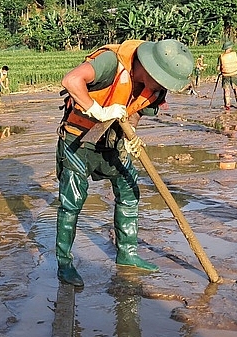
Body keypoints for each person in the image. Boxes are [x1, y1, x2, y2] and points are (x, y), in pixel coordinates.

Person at [55, 38, 194, 287]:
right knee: (72, 200)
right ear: (149, 67)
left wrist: (130, 138)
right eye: (161, 80)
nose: (163, 87)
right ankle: (64, 263)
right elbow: (71, 81)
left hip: (112, 141)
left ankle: (127, 253)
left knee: (130, 189)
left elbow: (138, 110)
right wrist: (97, 110)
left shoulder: (156, 89)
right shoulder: (111, 62)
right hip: (78, 139)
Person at [217, 41, 237, 110]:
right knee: (236, 89)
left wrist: (221, 71)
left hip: (225, 75)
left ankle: (227, 105)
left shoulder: (221, 56)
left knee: (226, 90)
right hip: (234, 74)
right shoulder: (235, 54)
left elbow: (218, 68)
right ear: (230, 47)